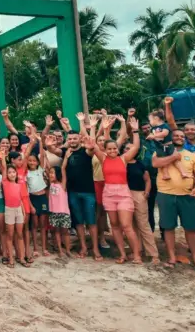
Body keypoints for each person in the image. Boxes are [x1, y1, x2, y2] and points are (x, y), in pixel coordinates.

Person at [87, 113, 142, 264]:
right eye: (109, 149)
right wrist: (93, 127)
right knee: (115, 226)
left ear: (118, 149)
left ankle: (136, 255)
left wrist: (135, 131)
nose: (112, 151)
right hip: (108, 193)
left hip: (123, 193)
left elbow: (136, 146)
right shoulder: (102, 158)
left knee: (127, 225)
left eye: (114, 149)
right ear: (105, 149)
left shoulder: (124, 158)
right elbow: (92, 142)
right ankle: (122, 254)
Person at [151, 128, 195, 270]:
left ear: (185, 139)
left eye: (182, 136)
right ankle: (171, 257)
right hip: (166, 194)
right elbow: (155, 164)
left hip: (187, 196)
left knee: (191, 228)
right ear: (171, 138)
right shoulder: (160, 151)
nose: (179, 138)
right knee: (168, 227)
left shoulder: (192, 156)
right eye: (176, 136)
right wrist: (173, 157)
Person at [61, 130, 102, 260]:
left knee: (91, 221)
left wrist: (91, 145)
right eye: (70, 139)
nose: (72, 141)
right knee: (78, 221)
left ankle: (95, 248)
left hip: (88, 192)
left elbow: (91, 150)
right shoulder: (66, 153)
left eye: (74, 138)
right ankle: (83, 246)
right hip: (72, 192)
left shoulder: (86, 151)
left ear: (79, 139)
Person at [126, 137, 161, 264]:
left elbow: (147, 179)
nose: (128, 150)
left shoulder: (140, 164)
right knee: (132, 225)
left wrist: (146, 192)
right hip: (124, 194)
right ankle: (137, 250)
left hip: (138, 194)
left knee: (143, 224)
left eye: (130, 148)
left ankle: (153, 254)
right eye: (126, 148)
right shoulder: (121, 162)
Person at [25, 153, 49, 258]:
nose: (32, 162)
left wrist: (40, 141)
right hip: (33, 198)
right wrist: (31, 205)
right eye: (29, 160)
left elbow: (42, 156)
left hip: (42, 198)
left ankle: (44, 248)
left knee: (43, 225)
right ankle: (35, 248)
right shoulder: (26, 173)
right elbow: (26, 191)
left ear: (37, 162)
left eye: (34, 160)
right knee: (34, 225)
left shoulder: (40, 170)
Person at [3, 165, 27, 267]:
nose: (12, 174)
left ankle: (21, 258)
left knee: (20, 234)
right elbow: (3, 167)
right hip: (9, 210)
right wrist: (2, 157)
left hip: (18, 210)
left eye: (13, 172)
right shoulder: (5, 183)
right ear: (7, 174)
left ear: (16, 173)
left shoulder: (19, 184)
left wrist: (23, 211)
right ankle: (11, 259)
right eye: (9, 172)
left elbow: (20, 199)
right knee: (10, 235)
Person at [47, 165, 71, 257]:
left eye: (53, 173)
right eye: (50, 173)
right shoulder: (51, 184)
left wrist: (66, 157)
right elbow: (45, 165)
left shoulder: (62, 185)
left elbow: (63, 169)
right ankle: (60, 250)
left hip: (64, 212)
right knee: (56, 231)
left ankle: (68, 250)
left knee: (65, 232)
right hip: (54, 212)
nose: (51, 175)